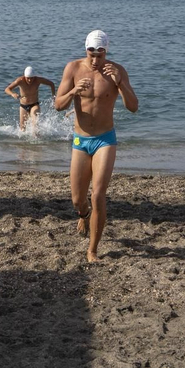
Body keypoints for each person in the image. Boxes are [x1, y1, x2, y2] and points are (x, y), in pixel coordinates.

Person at [54, 30, 139, 262]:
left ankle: (92, 250)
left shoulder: (117, 71)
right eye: (91, 54)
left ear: (106, 52)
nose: (95, 60)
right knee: (77, 199)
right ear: (86, 51)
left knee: (98, 195)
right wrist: (73, 91)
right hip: (81, 140)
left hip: (105, 140)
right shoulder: (72, 68)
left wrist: (120, 84)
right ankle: (83, 215)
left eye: (100, 55)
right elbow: (58, 106)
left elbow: (133, 107)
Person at [5, 66, 54, 133]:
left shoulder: (38, 80)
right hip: (23, 106)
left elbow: (51, 84)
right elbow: (7, 89)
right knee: (22, 130)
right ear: (24, 76)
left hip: (34, 105)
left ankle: (37, 141)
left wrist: (53, 97)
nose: (30, 80)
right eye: (28, 78)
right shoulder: (20, 80)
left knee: (35, 127)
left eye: (31, 78)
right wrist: (13, 94)